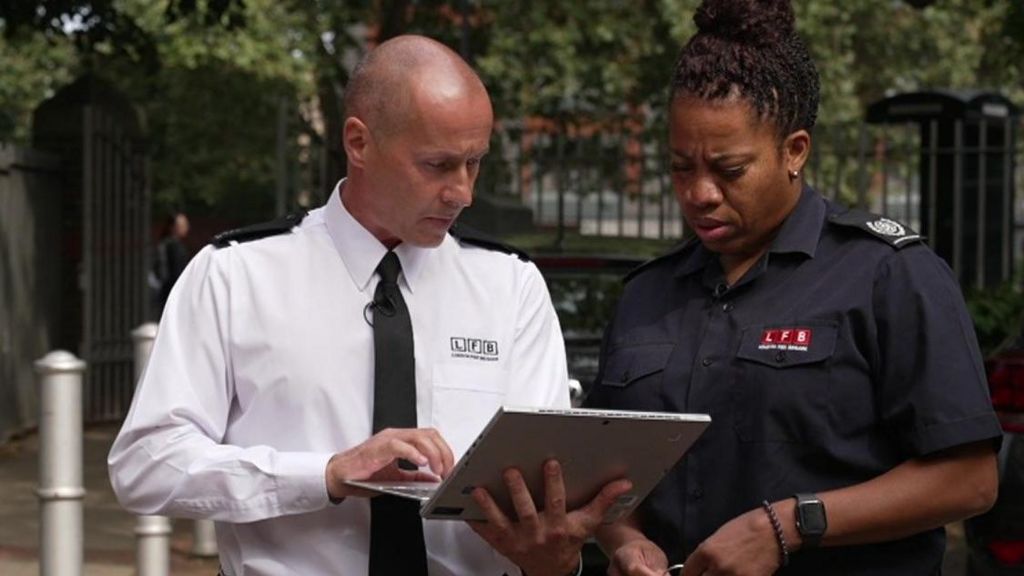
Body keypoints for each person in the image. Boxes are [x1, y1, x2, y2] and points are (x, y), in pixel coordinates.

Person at [109, 35, 629, 576]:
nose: (463, 192)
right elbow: (145, 465)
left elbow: (544, 490)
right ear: (358, 143)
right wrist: (327, 474)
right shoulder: (237, 275)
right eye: (437, 165)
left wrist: (553, 557)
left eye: (475, 163)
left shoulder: (510, 286)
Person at [585, 1, 1002, 575]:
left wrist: (788, 526)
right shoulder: (646, 296)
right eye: (682, 167)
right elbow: (609, 478)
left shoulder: (888, 276)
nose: (699, 192)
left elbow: (970, 480)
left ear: (794, 151)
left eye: (728, 170)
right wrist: (624, 542)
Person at [152, 210, 191, 315]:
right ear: (172, 227)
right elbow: (177, 272)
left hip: (165, 292)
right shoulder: (174, 246)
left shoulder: (165, 243)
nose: (187, 227)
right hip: (174, 292)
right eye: (183, 224)